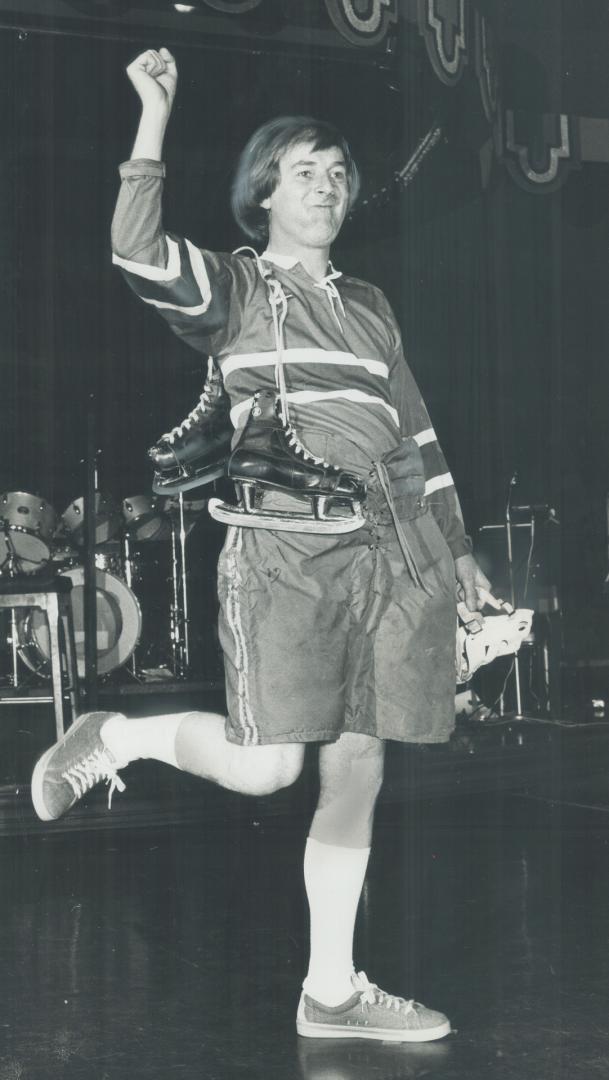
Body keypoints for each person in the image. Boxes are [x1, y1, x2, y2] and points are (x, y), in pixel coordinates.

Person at [31, 47, 496, 1042]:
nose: (324, 187)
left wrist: (455, 551)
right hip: (284, 554)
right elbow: (135, 249)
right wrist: (153, 116)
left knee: (361, 762)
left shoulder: (372, 308)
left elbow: (418, 439)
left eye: (337, 173)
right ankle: (117, 737)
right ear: (263, 192)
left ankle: (333, 990)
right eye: (303, 171)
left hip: (391, 552)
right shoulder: (238, 290)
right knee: (269, 770)